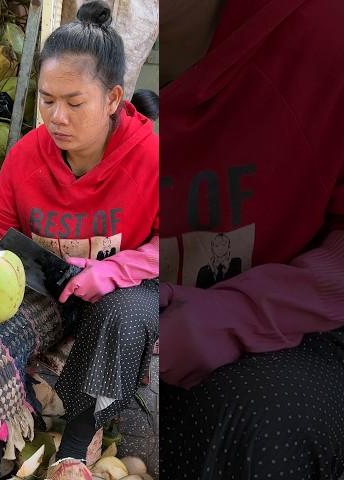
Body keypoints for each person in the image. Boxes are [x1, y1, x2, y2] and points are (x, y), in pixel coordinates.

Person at [0, 2, 158, 479]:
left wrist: (110, 272)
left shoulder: (151, 157)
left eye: (74, 102)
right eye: (47, 100)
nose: (57, 117)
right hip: (52, 288)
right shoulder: (27, 156)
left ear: (112, 98)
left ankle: (75, 452)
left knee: (122, 312)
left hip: (121, 296)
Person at [159, 0, 344, 478]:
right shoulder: (56, 54)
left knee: (266, 422)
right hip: (116, 329)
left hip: (290, 335)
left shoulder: (324, 34)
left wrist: (235, 316)